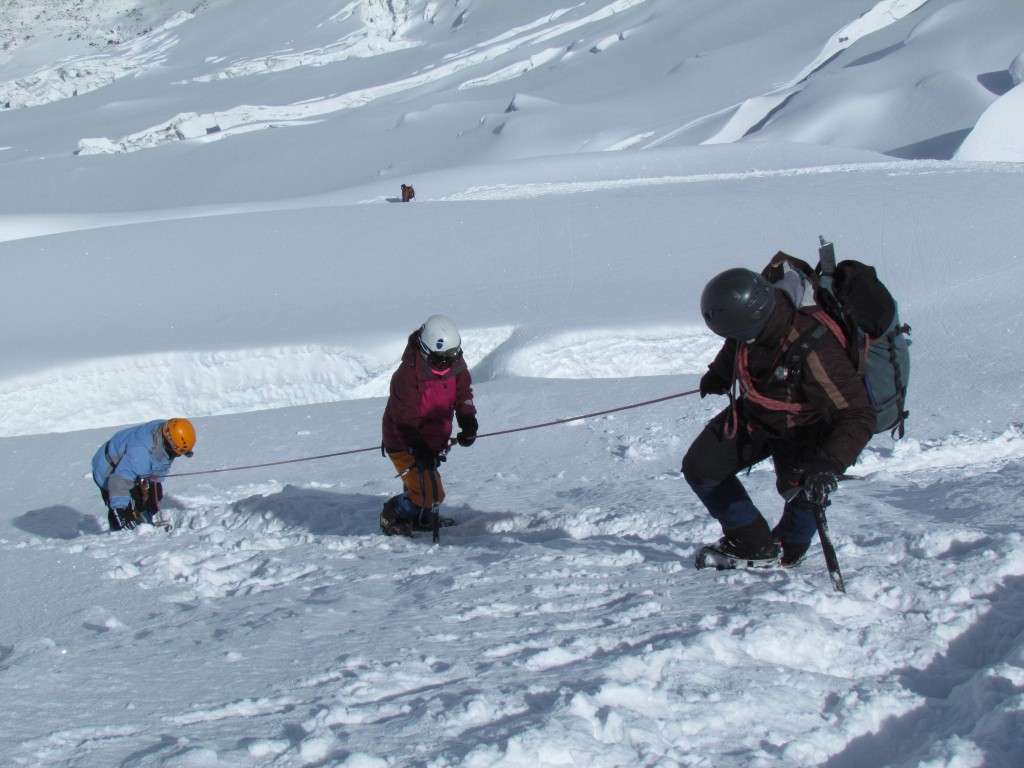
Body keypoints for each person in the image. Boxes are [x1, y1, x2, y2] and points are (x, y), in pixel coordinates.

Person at [682, 267, 875, 567]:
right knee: (701, 467)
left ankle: (789, 553)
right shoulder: (753, 322)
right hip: (758, 415)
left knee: (801, 496)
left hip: (805, 430)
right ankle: (752, 544)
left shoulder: (814, 348)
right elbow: (738, 342)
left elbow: (858, 414)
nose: (733, 337)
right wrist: (719, 374)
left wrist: (829, 463)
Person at [380, 315, 478, 536]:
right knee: (431, 494)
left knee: (423, 484)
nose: (447, 364)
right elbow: (404, 420)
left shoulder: (455, 365)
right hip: (404, 440)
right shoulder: (406, 376)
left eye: (451, 358)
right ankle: (393, 513)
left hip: (433, 438)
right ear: (425, 351)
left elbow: (463, 394)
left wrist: (468, 420)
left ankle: (421, 517)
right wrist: (418, 448)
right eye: (439, 360)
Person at [91, 418, 196, 531]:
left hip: (129, 467)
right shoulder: (141, 452)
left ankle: (144, 525)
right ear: (170, 443)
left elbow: (161, 459)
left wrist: (155, 483)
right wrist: (121, 511)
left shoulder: (167, 432)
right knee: (125, 513)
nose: (176, 456)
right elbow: (120, 479)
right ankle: (119, 537)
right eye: (177, 453)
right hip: (109, 470)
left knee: (146, 504)